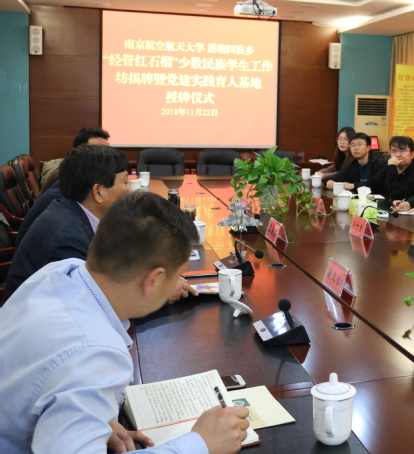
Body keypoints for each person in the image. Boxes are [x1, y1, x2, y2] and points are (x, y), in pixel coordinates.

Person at [0, 191, 251, 454]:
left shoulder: (60, 272)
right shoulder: (95, 353)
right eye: (177, 276)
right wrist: (200, 444)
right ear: (153, 281)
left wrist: (93, 418)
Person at [4, 145, 195, 303]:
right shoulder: (67, 238)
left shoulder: (76, 211)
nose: (130, 191)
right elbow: (90, 302)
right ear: (98, 192)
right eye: (125, 183)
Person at [16, 129, 112, 247]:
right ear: (80, 153)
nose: (107, 157)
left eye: (107, 150)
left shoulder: (74, 175)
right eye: (99, 151)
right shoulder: (67, 186)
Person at [39, 127, 111, 193]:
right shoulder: (64, 175)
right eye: (98, 149)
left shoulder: (98, 170)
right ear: (79, 151)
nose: (105, 154)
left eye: (107, 149)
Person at [365, 136, 414, 200]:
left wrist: (391, 167)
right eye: (394, 151)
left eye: (403, 150)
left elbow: (397, 194)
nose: (398, 155)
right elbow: (369, 183)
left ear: (412, 154)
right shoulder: (389, 169)